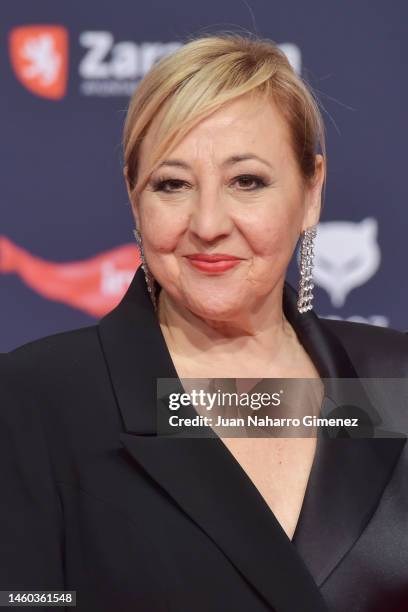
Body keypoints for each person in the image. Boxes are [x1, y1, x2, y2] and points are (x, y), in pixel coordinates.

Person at [1, 33, 408, 612]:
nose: (209, 222)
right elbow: (24, 600)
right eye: (172, 184)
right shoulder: (39, 399)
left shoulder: (396, 381)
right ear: (134, 198)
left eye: (247, 181)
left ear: (311, 190)